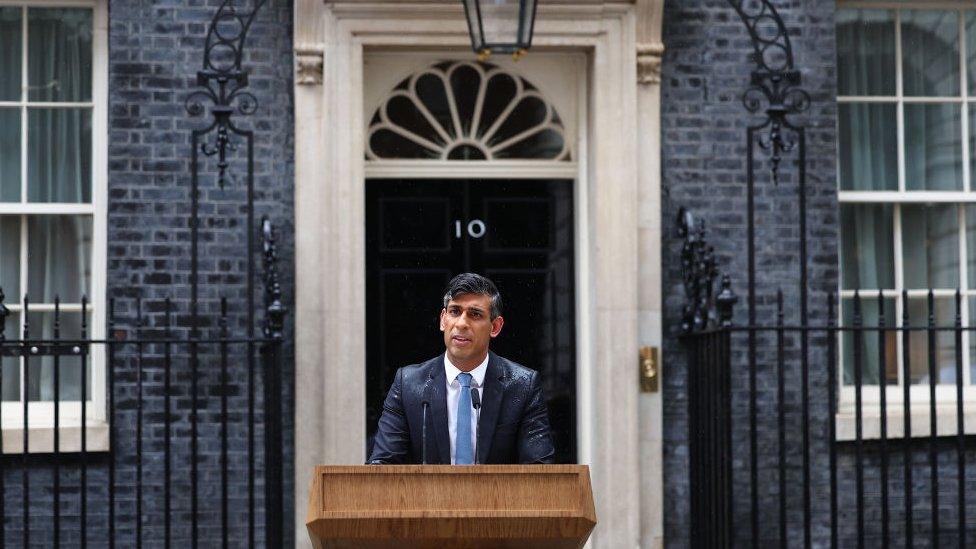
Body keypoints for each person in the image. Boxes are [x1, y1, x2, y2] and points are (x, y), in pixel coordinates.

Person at [368, 273, 555, 464]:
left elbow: (540, 470)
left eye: (475, 314)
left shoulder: (523, 386)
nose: (462, 323)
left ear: (495, 326)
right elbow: (382, 466)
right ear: (443, 319)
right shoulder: (408, 384)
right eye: (455, 311)